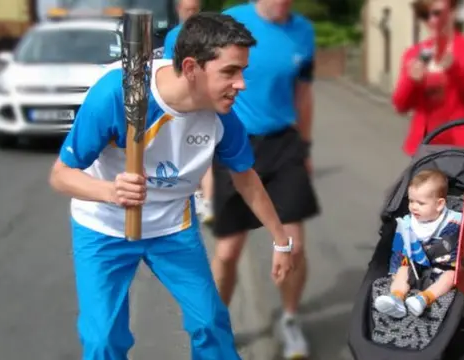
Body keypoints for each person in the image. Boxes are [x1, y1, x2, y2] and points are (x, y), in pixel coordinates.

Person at [48, 13, 296, 360]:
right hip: (103, 227)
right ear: (192, 67)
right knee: (103, 339)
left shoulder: (221, 115)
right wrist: (110, 192)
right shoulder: (115, 95)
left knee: (210, 322)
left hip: (171, 228)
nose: (241, 84)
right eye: (230, 71)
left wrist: (281, 240)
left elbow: (246, 177)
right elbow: (61, 175)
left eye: (242, 71)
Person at [392, 0, 464, 335]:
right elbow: (402, 103)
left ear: (454, 13)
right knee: (424, 225)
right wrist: (413, 80)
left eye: (441, 10)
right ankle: (428, 295)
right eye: (428, 12)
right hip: (428, 153)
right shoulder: (415, 53)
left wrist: (455, 68)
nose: (435, 18)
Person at [213, 0, 318, 358]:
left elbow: (303, 93)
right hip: (235, 140)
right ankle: (217, 325)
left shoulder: (303, 30)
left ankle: (289, 320)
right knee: (228, 251)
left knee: (295, 244)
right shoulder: (231, 22)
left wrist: (304, 147)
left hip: (284, 143)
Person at [374, 170, 462, 318]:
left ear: (439, 204)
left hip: (441, 268)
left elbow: (460, 248)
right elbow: (399, 249)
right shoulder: (408, 223)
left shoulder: (454, 223)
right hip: (415, 268)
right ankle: (396, 297)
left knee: (451, 276)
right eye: (411, 201)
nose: (414, 207)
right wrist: (395, 272)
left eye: (420, 203)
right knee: (402, 270)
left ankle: (424, 298)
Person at [162, 0, 216, 224]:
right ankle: (205, 199)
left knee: (196, 146)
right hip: (190, 98)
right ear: (179, 10)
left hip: (194, 98)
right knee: (200, 147)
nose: (191, 14)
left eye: (194, 10)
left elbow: (166, 69)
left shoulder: (194, 34)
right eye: (188, 10)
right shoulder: (178, 35)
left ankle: (204, 199)